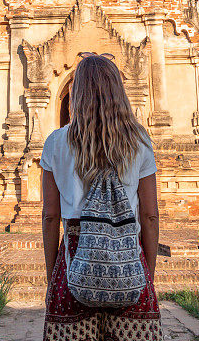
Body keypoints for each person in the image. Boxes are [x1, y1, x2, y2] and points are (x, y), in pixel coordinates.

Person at [40, 53, 162, 340]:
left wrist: (53, 278)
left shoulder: (56, 142)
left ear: (75, 92)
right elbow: (150, 215)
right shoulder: (140, 141)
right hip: (128, 256)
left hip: (73, 258)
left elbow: (50, 216)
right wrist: (148, 274)